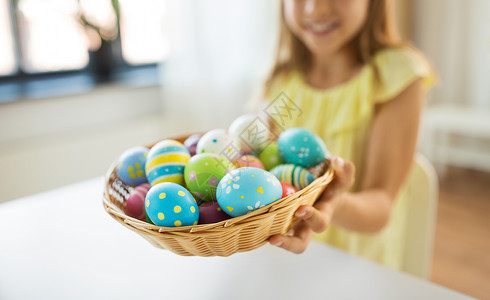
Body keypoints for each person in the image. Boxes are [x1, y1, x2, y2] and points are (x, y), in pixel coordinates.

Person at [263, 0, 434, 270]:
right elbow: (263, 166)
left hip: (359, 266)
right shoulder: (283, 82)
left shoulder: (394, 77)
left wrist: (334, 203)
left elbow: (381, 204)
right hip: (285, 259)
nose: (314, 9)